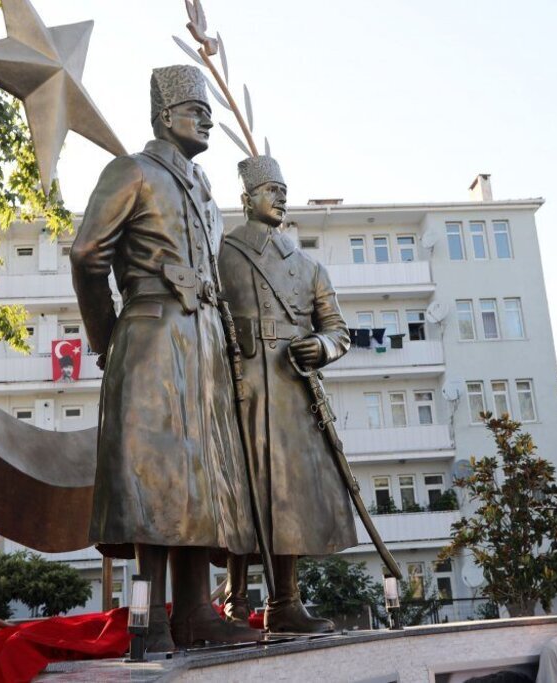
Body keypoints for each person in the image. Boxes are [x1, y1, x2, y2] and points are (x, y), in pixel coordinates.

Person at [71, 64, 258, 651]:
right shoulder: (132, 170)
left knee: (200, 473)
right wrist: (107, 337)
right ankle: (148, 618)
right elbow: (86, 254)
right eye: (195, 111)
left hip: (204, 342)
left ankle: (196, 611)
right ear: (163, 116)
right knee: (151, 472)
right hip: (151, 333)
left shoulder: (206, 194)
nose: (207, 121)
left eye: (209, 113)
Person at [217, 155, 357, 633]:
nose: (279, 197)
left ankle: (286, 601)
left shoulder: (309, 266)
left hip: (293, 392)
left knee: (288, 492)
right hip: (239, 387)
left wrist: (320, 346)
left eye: (283, 190)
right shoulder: (220, 254)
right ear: (246, 199)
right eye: (270, 190)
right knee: (240, 489)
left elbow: (338, 331)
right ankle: (235, 601)